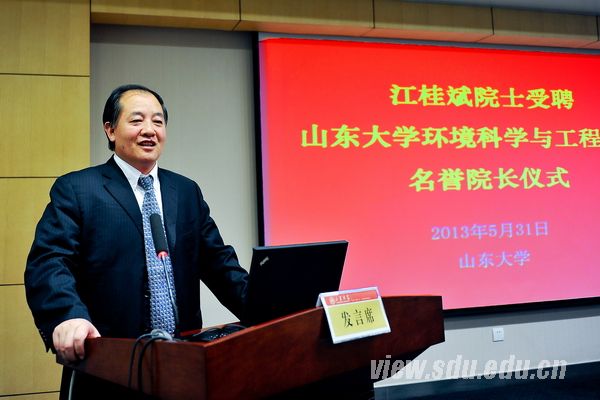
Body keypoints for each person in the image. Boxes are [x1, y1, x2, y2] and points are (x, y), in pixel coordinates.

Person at [24, 84, 249, 399]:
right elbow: (49, 262)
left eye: (158, 121)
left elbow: (221, 266)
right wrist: (67, 315)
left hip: (181, 365)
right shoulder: (78, 189)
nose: (149, 130)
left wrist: (275, 307)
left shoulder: (185, 191)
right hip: (108, 367)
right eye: (137, 120)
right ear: (110, 129)